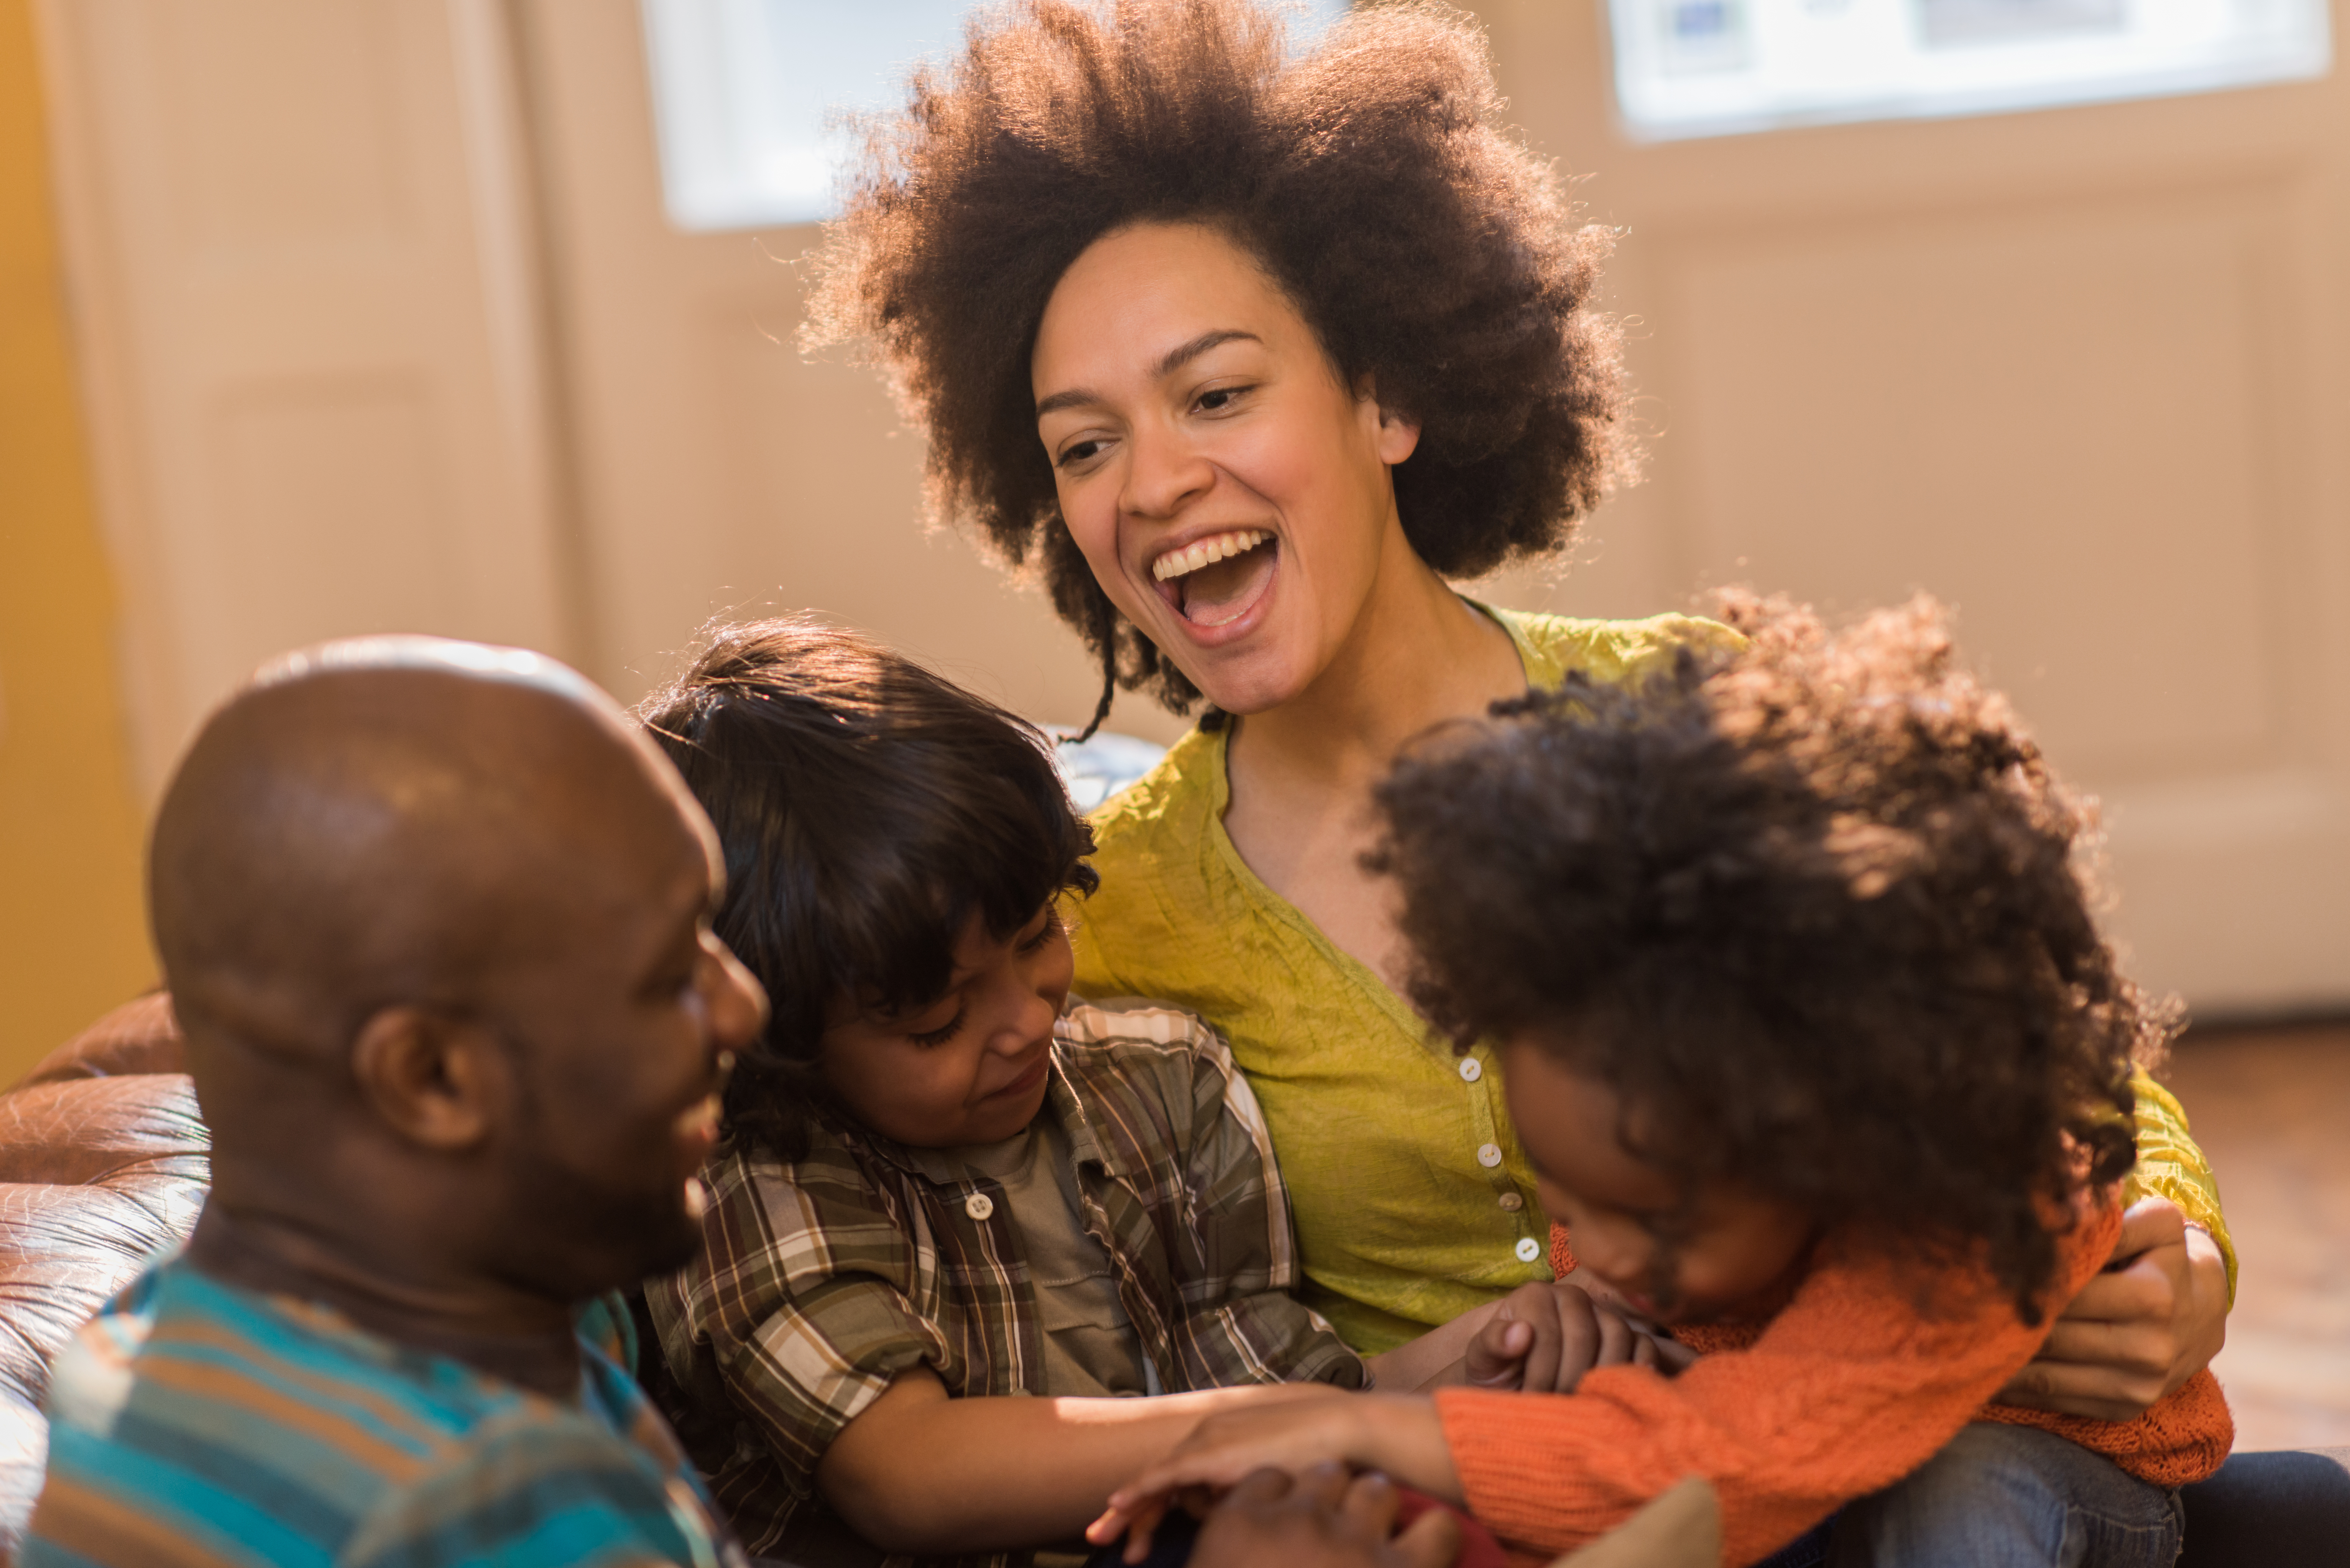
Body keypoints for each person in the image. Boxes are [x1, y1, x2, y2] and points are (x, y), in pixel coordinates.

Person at [802, 0, 2232, 1420]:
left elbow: (2050, 1053)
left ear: (1386, 399)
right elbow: (1165, 1353)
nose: (1154, 482)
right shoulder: (1105, 932)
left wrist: (2186, 1256)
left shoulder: (1701, 705)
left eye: (1219, 393)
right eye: (1086, 444)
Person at [1087, 596, 2235, 1568]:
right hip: (1759, 1438)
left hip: (2040, 1460)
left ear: (1834, 1139)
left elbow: (1743, 1451)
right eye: (1569, 1201)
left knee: (1968, 1506)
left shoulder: (1961, 1230)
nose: (1602, 1252)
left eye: (1652, 1222)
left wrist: (1366, 1432)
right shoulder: (1638, 1092)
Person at [634, 621, 1656, 1566]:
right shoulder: (750, 1170)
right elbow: (910, 1477)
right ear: (778, 1038)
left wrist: (1494, 1348)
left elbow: (1289, 1389)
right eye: (937, 1023)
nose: (1029, 1020)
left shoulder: (1166, 1080)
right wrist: (1318, 1430)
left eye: (1037, 935)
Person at [21, 636, 770, 1567]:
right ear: (431, 1079)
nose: (743, 1005)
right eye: (670, 976)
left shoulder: (142, 1347)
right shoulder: (497, 1505)